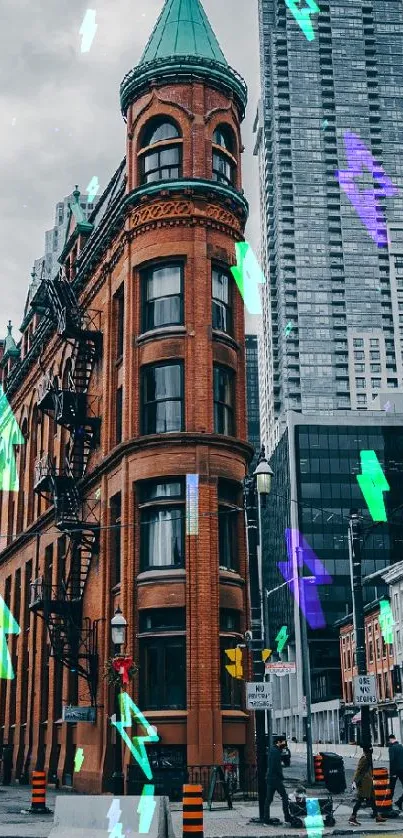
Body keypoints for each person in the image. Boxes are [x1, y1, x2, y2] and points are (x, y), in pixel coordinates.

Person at [349, 745, 386, 826]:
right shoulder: (365, 758)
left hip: (368, 782)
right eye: (371, 749)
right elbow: (359, 771)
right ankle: (353, 816)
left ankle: (377, 816)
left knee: (373, 798)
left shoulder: (367, 757)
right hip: (364, 783)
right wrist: (354, 782)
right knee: (360, 799)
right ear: (368, 751)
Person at [263, 735, 291, 825]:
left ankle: (266, 819)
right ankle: (287, 817)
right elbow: (276, 766)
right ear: (278, 742)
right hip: (275, 778)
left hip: (270, 778)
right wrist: (281, 776)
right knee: (285, 797)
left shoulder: (273, 750)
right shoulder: (276, 752)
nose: (284, 743)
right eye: (283, 742)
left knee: (268, 799)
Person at [388, 733, 403, 811]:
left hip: (395, 771)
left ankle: (389, 805)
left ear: (390, 740)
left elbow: (392, 761)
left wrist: (392, 773)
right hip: (402, 770)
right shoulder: (401, 746)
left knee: (391, 788)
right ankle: (400, 801)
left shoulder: (391, 748)